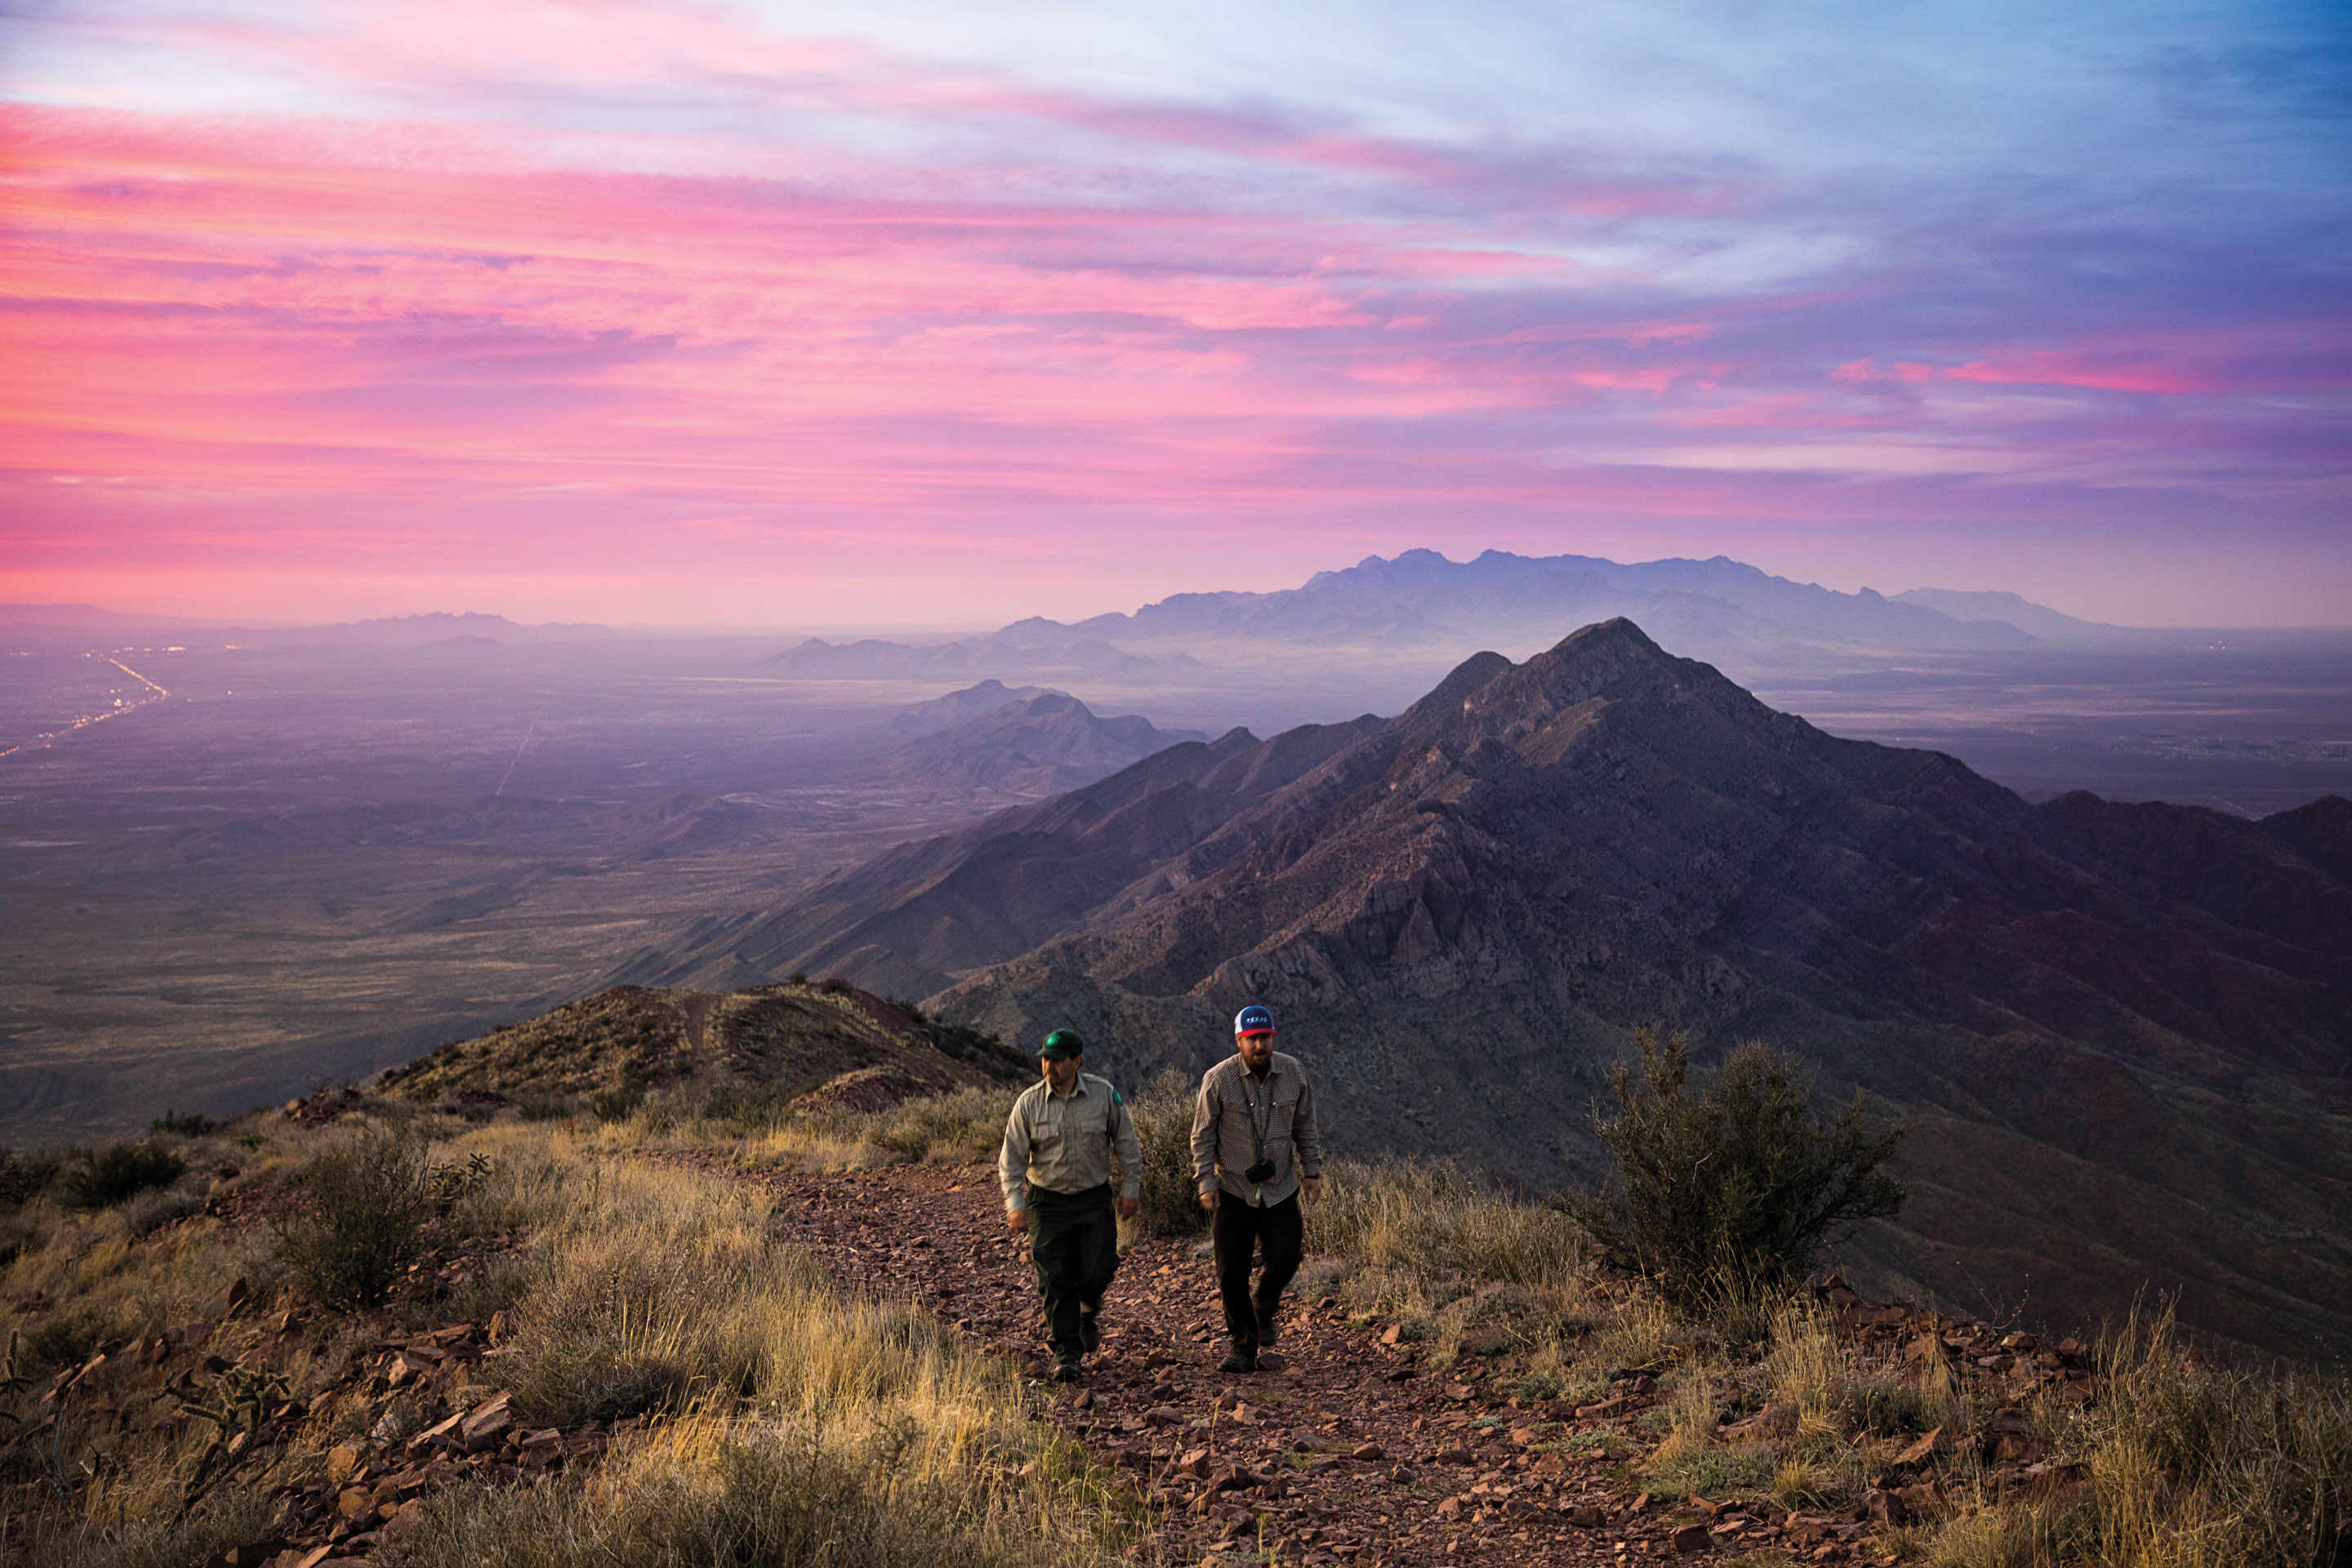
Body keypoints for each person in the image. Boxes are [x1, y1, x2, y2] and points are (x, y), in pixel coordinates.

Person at [998, 1027, 1142, 1382]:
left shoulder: (1103, 1095)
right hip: (1047, 1202)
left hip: (1094, 1198)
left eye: (1058, 1060)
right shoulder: (1029, 1103)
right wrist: (1015, 1204)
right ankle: (1067, 1354)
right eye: (1046, 1059)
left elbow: (1126, 1142)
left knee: (1100, 1267)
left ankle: (1086, 1310)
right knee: (1054, 1278)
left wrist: (1131, 1187)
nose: (1049, 1066)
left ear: (1077, 1061)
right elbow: (1011, 1158)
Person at [1191, 1004, 1323, 1374]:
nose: (1259, 1046)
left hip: (1280, 1186)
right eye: (1252, 1039)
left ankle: (1263, 1307)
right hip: (1233, 1187)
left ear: (1273, 1037)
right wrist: (1206, 1182)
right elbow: (1201, 1136)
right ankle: (1243, 1347)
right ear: (1239, 1041)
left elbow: (1306, 1125)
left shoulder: (1294, 1073)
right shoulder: (1217, 1080)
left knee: (1287, 1256)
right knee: (1231, 1271)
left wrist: (1311, 1170)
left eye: (1264, 1038)